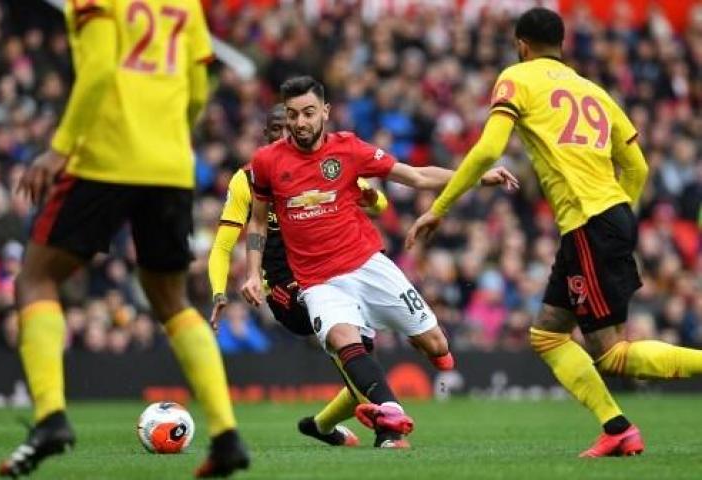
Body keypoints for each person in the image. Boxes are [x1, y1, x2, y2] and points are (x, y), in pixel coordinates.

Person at [407, 7, 702, 458]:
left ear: (521, 44)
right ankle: (616, 426)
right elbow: (638, 166)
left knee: (611, 354)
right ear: (561, 44)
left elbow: (488, 150)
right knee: (547, 335)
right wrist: (622, 212)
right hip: (605, 217)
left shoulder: (517, 77)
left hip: (589, 223)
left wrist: (440, 208)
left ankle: (624, 423)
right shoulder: (595, 91)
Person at [0, 1, 247, 477]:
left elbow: (97, 71)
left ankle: (50, 417)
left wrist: (58, 150)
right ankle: (226, 434)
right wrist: (169, 138)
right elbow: (197, 89)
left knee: (35, 278)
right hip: (171, 163)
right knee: (172, 300)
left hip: (106, 157)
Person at [241, 76, 518, 445]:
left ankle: (384, 403)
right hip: (317, 282)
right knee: (344, 339)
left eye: (308, 113)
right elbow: (258, 220)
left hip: (367, 265)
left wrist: (479, 178)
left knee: (436, 345)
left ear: (325, 111)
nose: (299, 123)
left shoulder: (349, 149)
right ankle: (391, 419)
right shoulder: (266, 162)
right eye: (292, 115)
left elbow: (416, 176)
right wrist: (251, 273)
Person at [209, 104, 401, 448]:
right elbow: (223, 245)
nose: (290, 134)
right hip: (285, 287)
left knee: (360, 358)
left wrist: (369, 195)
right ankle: (388, 430)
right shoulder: (248, 180)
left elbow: (380, 205)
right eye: (279, 129)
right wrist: (218, 292)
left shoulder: (323, 165)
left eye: (295, 126)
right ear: (266, 138)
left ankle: (322, 425)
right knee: (352, 350)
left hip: (331, 270)